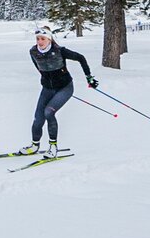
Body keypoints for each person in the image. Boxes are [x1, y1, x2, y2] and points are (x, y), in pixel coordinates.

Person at [24, 29, 97, 157]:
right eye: (38, 39)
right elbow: (39, 67)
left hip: (65, 88)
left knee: (49, 112)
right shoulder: (33, 52)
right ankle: (34, 145)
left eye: (43, 38)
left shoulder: (60, 51)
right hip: (47, 89)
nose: (40, 41)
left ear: (49, 39)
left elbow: (81, 58)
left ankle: (53, 147)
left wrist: (89, 77)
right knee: (38, 119)